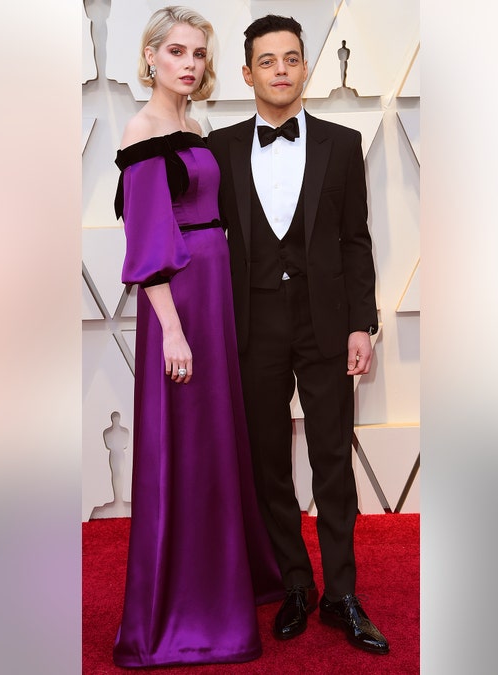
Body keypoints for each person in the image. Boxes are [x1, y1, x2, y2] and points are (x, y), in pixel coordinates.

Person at [207, 14, 390, 655]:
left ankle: (342, 592)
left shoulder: (342, 143)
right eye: (268, 60)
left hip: (326, 326)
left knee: (333, 462)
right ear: (247, 72)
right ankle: (295, 583)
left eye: (291, 58)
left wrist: (362, 324)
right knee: (268, 466)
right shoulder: (220, 148)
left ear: (305, 66)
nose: (281, 69)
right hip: (252, 328)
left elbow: (356, 242)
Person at [110, 6, 282, 668]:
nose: (189, 63)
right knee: (182, 449)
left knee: (213, 444)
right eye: (176, 51)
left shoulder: (191, 124)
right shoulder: (142, 128)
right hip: (178, 303)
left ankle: (219, 586)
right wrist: (172, 331)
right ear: (151, 57)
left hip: (212, 299)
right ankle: (181, 614)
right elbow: (148, 240)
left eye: (198, 54)